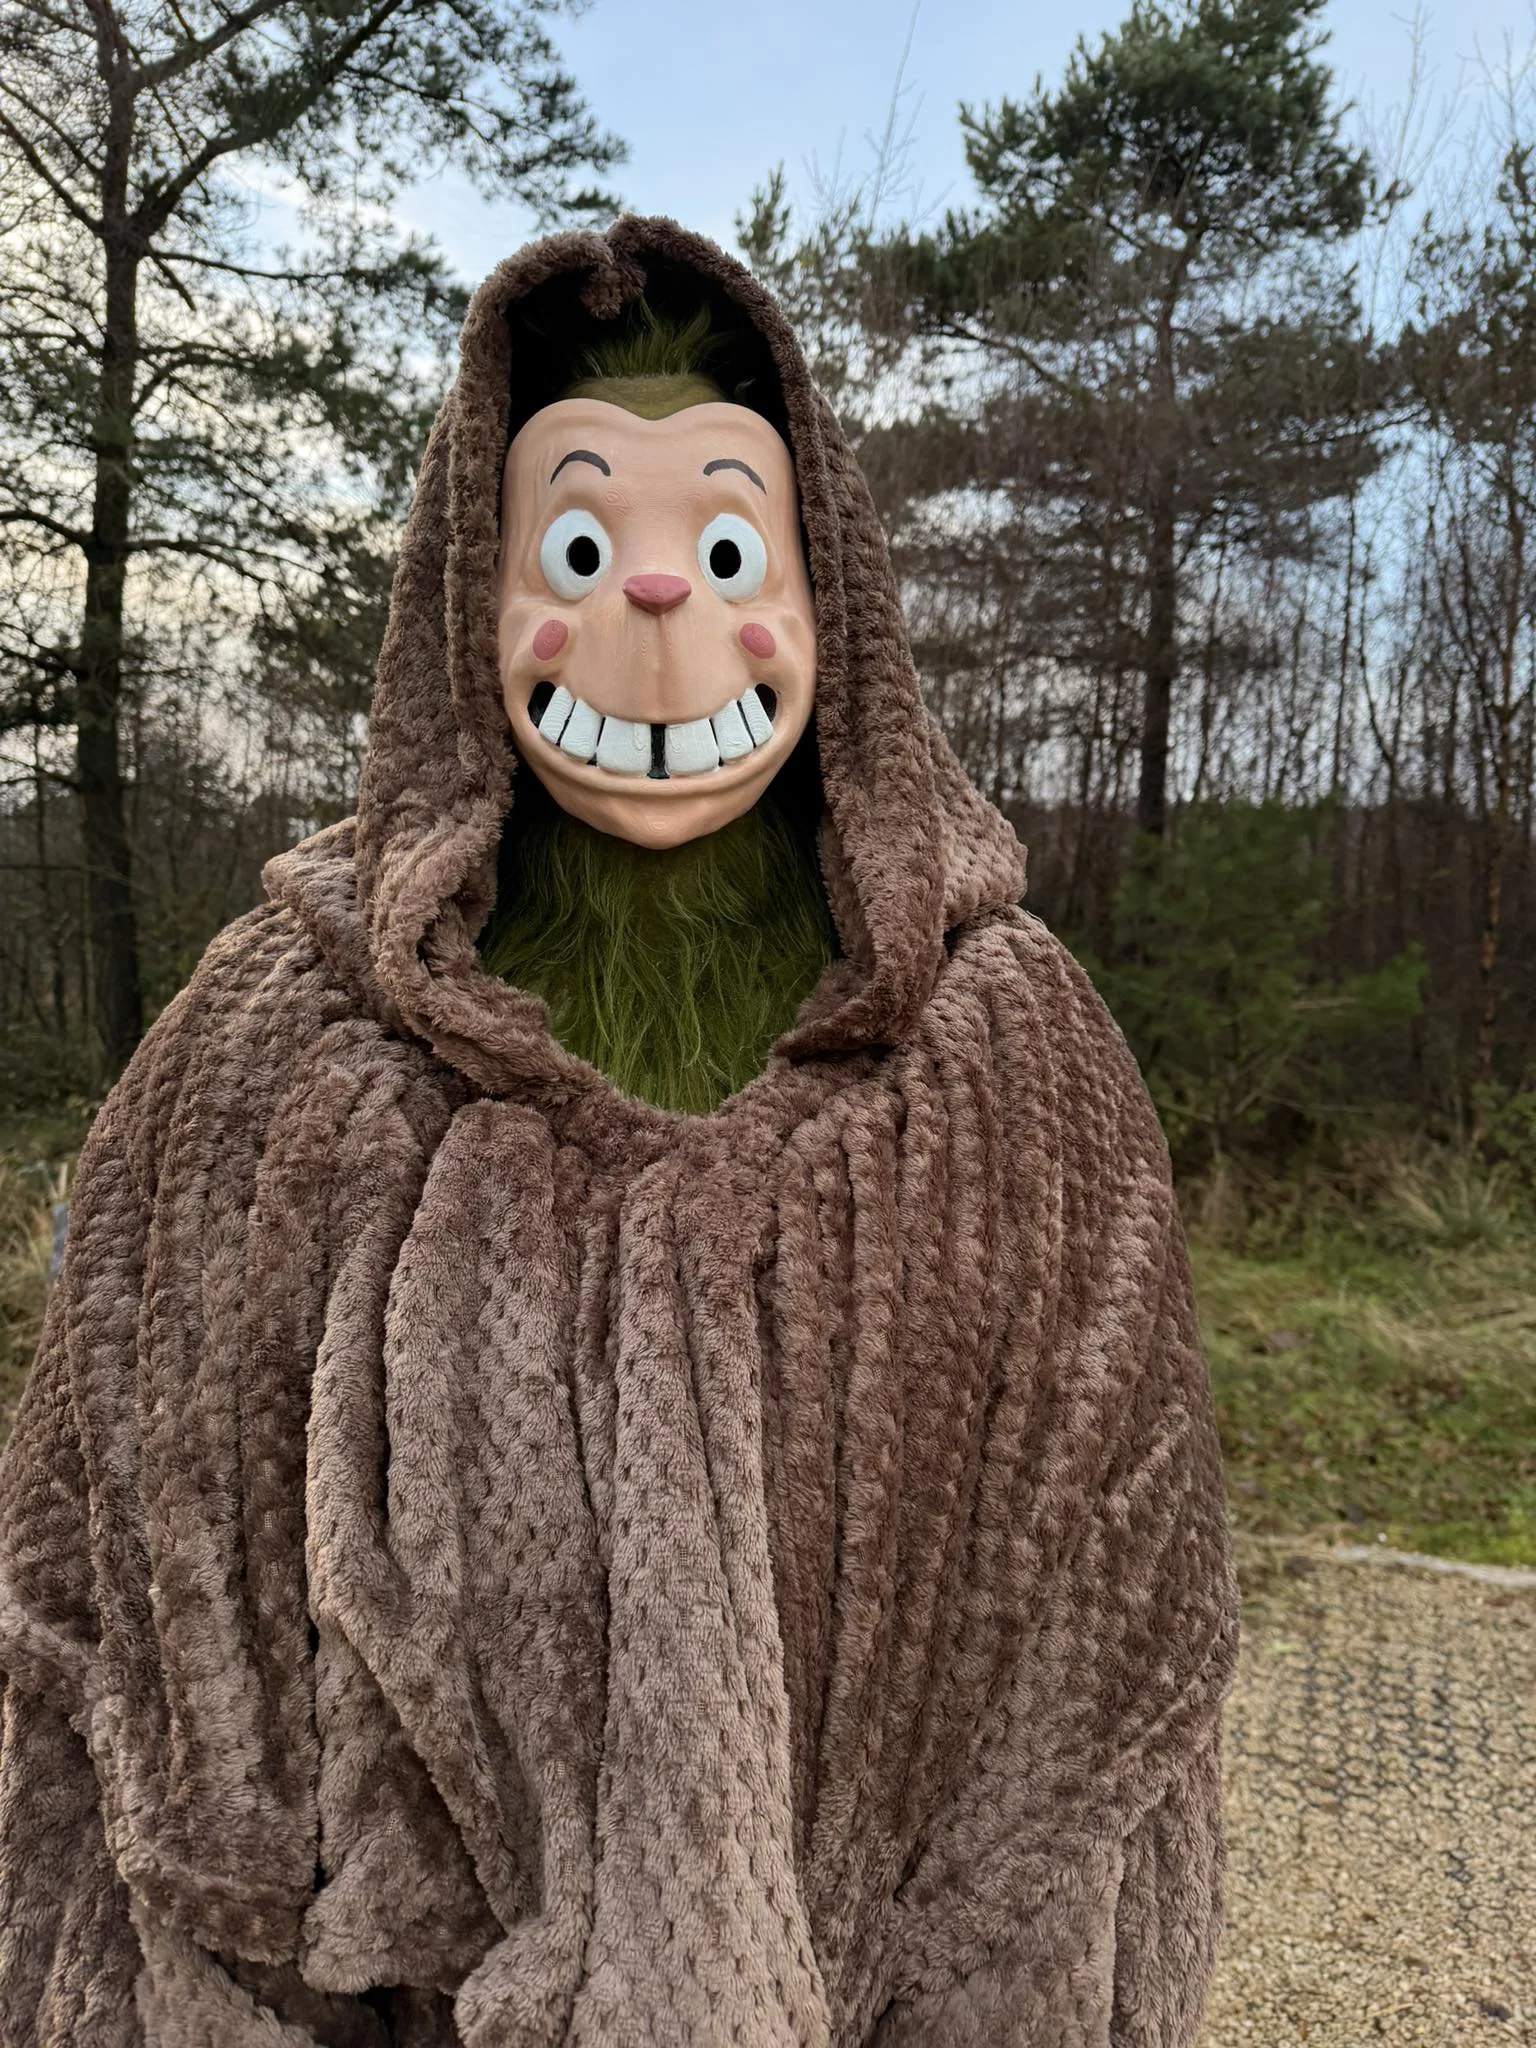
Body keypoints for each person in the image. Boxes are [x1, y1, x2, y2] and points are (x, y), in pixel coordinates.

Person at [0, 215, 1239, 2047]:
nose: (654, 597)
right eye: (579, 542)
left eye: (725, 540)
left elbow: (1114, 1585)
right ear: (465, 593)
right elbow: (123, 1553)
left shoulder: (1010, 1062)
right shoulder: (271, 1050)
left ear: (827, 596)